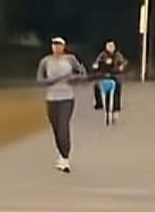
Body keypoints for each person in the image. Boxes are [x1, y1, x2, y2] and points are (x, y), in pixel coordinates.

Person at [36, 36, 88, 173]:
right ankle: (61, 154)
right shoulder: (45, 61)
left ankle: (65, 158)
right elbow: (40, 80)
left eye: (59, 45)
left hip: (67, 97)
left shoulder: (70, 59)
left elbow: (82, 74)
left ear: (64, 46)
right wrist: (51, 81)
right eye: (54, 45)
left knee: (63, 126)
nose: (56, 47)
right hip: (51, 98)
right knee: (56, 128)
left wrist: (75, 79)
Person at [91, 40, 128, 119]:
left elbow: (124, 62)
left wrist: (121, 66)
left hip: (115, 74)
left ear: (114, 47)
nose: (110, 48)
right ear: (106, 47)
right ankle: (99, 103)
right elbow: (97, 62)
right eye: (109, 46)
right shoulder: (102, 55)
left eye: (112, 46)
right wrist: (96, 65)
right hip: (104, 74)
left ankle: (116, 109)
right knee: (96, 85)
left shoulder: (118, 55)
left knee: (118, 87)